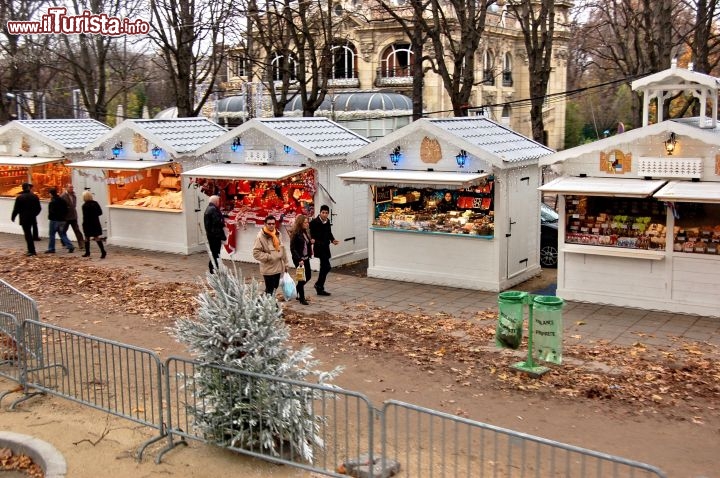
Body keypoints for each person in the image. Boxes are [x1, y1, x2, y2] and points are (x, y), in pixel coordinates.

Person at [252, 215, 287, 295]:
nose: (271, 225)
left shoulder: (278, 234)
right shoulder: (260, 237)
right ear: (265, 224)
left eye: (273, 224)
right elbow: (256, 253)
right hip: (268, 268)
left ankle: (262, 302)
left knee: (275, 287)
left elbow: (282, 249)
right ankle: (270, 305)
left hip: (278, 267)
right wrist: (269, 257)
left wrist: (286, 263)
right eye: (269, 224)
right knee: (270, 289)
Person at [309, 205, 338, 296]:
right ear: (320, 212)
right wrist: (312, 240)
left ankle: (319, 287)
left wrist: (332, 240)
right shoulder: (314, 222)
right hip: (319, 247)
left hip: (326, 246)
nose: (325, 215)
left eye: (326, 213)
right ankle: (319, 285)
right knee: (327, 267)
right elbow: (310, 233)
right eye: (323, 213)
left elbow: (329, 232)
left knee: (324, 267)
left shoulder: (327, 221)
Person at [11, 182, 42, 256]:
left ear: (22, 188)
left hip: (24, 218)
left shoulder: (20, 197)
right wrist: (34, 214)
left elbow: (16, 209)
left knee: (28, 234)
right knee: (30, 232)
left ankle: (31, 250)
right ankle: (32, 250)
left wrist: (13, 217)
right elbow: (39, 208)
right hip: (32, 217)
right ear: (28, 188)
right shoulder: (34, 196)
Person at [289, 214, 313, 305]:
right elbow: (292, 248)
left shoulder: (305, 232)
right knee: (301, 278)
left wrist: (310, 242)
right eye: (305, 222)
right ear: (300, 223)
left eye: (307, 222)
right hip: (298, 259)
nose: (307, 224)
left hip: (306, 258)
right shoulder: (295, 233)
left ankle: (297, 289)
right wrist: (299, 259)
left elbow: (306, 244)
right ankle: (302, 298)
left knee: (309, 276)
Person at [45, 187, 74, 254]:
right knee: (62, 234)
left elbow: (51, 212)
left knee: (52, 234)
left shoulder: (52, 202)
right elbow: (66, 209)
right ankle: (70, 246)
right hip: (62, 220)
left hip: (54, 220)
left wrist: (50, 217)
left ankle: (51, 248)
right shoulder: (62, 200)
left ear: (51, 194)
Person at [203, 195, 226, 274]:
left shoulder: (209, 209)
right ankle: (214, 269)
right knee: (215, 253)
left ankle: (214, 268)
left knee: (214, 252)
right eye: (218, 201)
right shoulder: (213, 210)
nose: (219, 203)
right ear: (216, 202)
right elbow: (217, 222)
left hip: (211, 235)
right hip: (215, 235)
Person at [81, 190, 106, 258]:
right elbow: (100, 212)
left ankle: (87, 252)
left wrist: (83, 224)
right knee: (96, 237)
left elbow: (85, 216)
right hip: (95, 222)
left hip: (88, 223)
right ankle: (103, 251)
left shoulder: (84, 206)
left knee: (86, 238)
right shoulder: (95, 203)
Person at [60, 183, 85, 251]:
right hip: (66, 216)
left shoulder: (74, 196)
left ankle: (81, 244)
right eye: (70, 187)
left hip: (73, 216)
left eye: (72, 187)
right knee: (64, 230)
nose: (71, 189)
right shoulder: (63, 196)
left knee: (77, 230)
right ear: (66, 188)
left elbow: (74, 205)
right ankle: (64, 242)